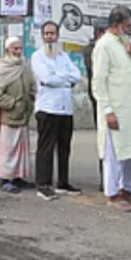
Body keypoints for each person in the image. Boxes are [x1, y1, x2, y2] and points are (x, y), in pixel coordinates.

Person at [93, 6, 131, 211]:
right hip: (115, 110)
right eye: (128, 25)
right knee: (114, 153)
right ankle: (113, 194)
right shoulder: (104, 45)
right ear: (116, 25)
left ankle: (127, 190)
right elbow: (99, 82)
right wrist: (108, 110)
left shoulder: (126, 43)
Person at [31, 20, 82, 201]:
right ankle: (43, 184)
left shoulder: (63, 56)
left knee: (64, 147)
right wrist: (67, 80)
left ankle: (63, 181)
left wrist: (60, 78)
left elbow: (77, 74)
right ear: (43, 36)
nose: (50, 36)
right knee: (46, 148)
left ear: (58, 35)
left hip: (65, 109)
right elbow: (46, 79)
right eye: (47, 34)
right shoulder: (38, 57)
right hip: (47, 108)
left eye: (53, 33)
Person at [0, 37, 36, 193]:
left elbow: (32, 85)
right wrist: (12, 104)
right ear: (7, 50)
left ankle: (18, 177)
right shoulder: (2, 68)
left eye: (19, 48)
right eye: (14, 49)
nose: (18, 52)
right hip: (9, 115)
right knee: (8, 149)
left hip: (23, 113)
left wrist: (30, 99)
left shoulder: (24, 65)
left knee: (22, 148)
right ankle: (5, 179)